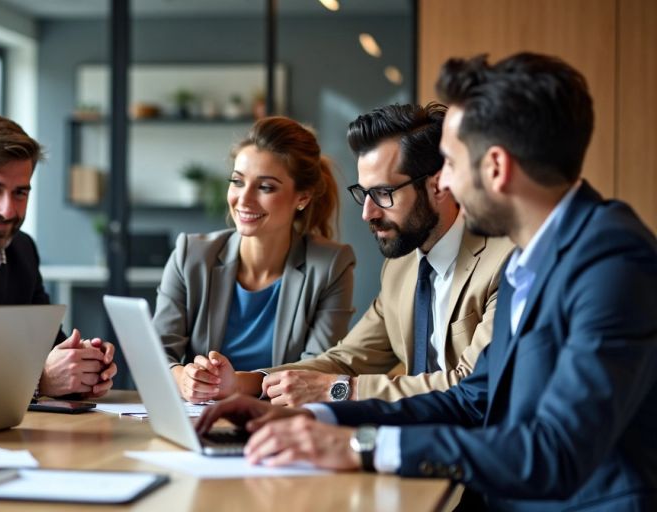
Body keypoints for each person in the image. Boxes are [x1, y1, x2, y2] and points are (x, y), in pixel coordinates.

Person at [196, 53, 657, 510]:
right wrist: (315, 417)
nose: (446, 183)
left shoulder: (612, 261)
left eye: (452, 163)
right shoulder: (532, 257)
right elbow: (470, 401)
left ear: (495, 167)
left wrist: (363, 446)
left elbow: (554, 453)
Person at [252, 104, 513, 405]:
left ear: (439, 185)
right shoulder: (400, 267)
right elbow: (347, 359)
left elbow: (473, 384)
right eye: (364, 193)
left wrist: (338, 389)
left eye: (383, 193)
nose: (367, 212)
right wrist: (249, 382)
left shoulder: (504, 262)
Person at [152, 116, 356, 403]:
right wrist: (182, 378)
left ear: (303, 197)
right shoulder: (190, 255)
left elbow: (321, 369)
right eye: (237, 182)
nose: (243, 200)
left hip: (282, 424)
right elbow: (156, 353)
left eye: (266, 187)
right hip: (200, 418)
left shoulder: (331, 265)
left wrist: (238, 383)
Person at [0, 114, 117, 397]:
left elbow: (46, 344)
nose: (8, 210)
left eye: (20, 193)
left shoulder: (22, 250)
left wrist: (82, 364)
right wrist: (35, 380)